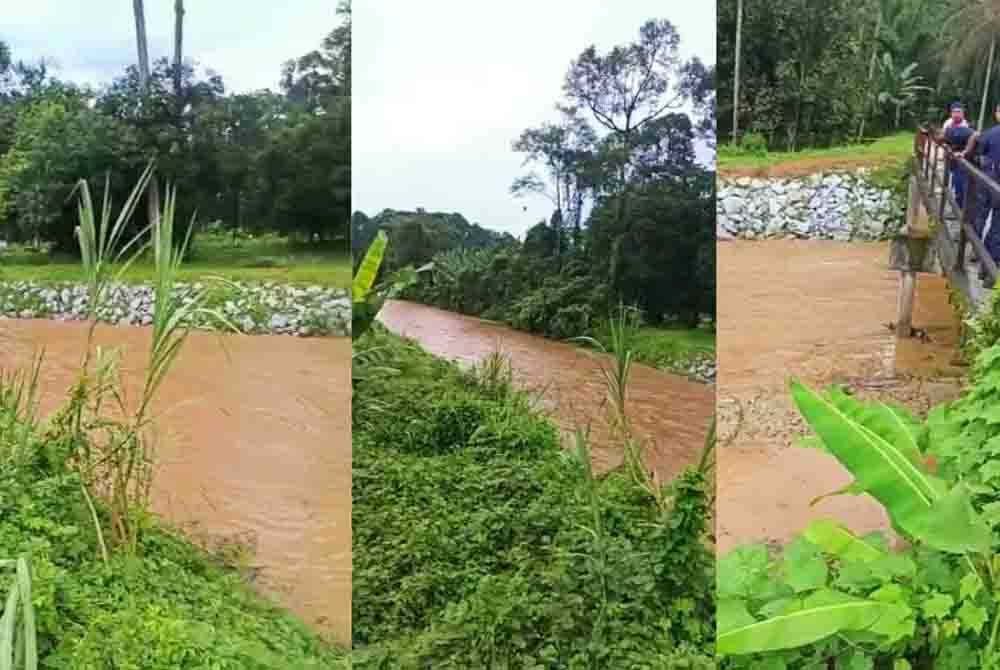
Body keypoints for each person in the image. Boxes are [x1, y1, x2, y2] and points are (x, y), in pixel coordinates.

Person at [971, 103, 1000, 277]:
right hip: (991, 183)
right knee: (996, 224)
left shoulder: (988, 134)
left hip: (986, 182)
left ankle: (977, 251)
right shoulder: (989, 134)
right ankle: (989, 263)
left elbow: (978, 157)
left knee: (982, 217)